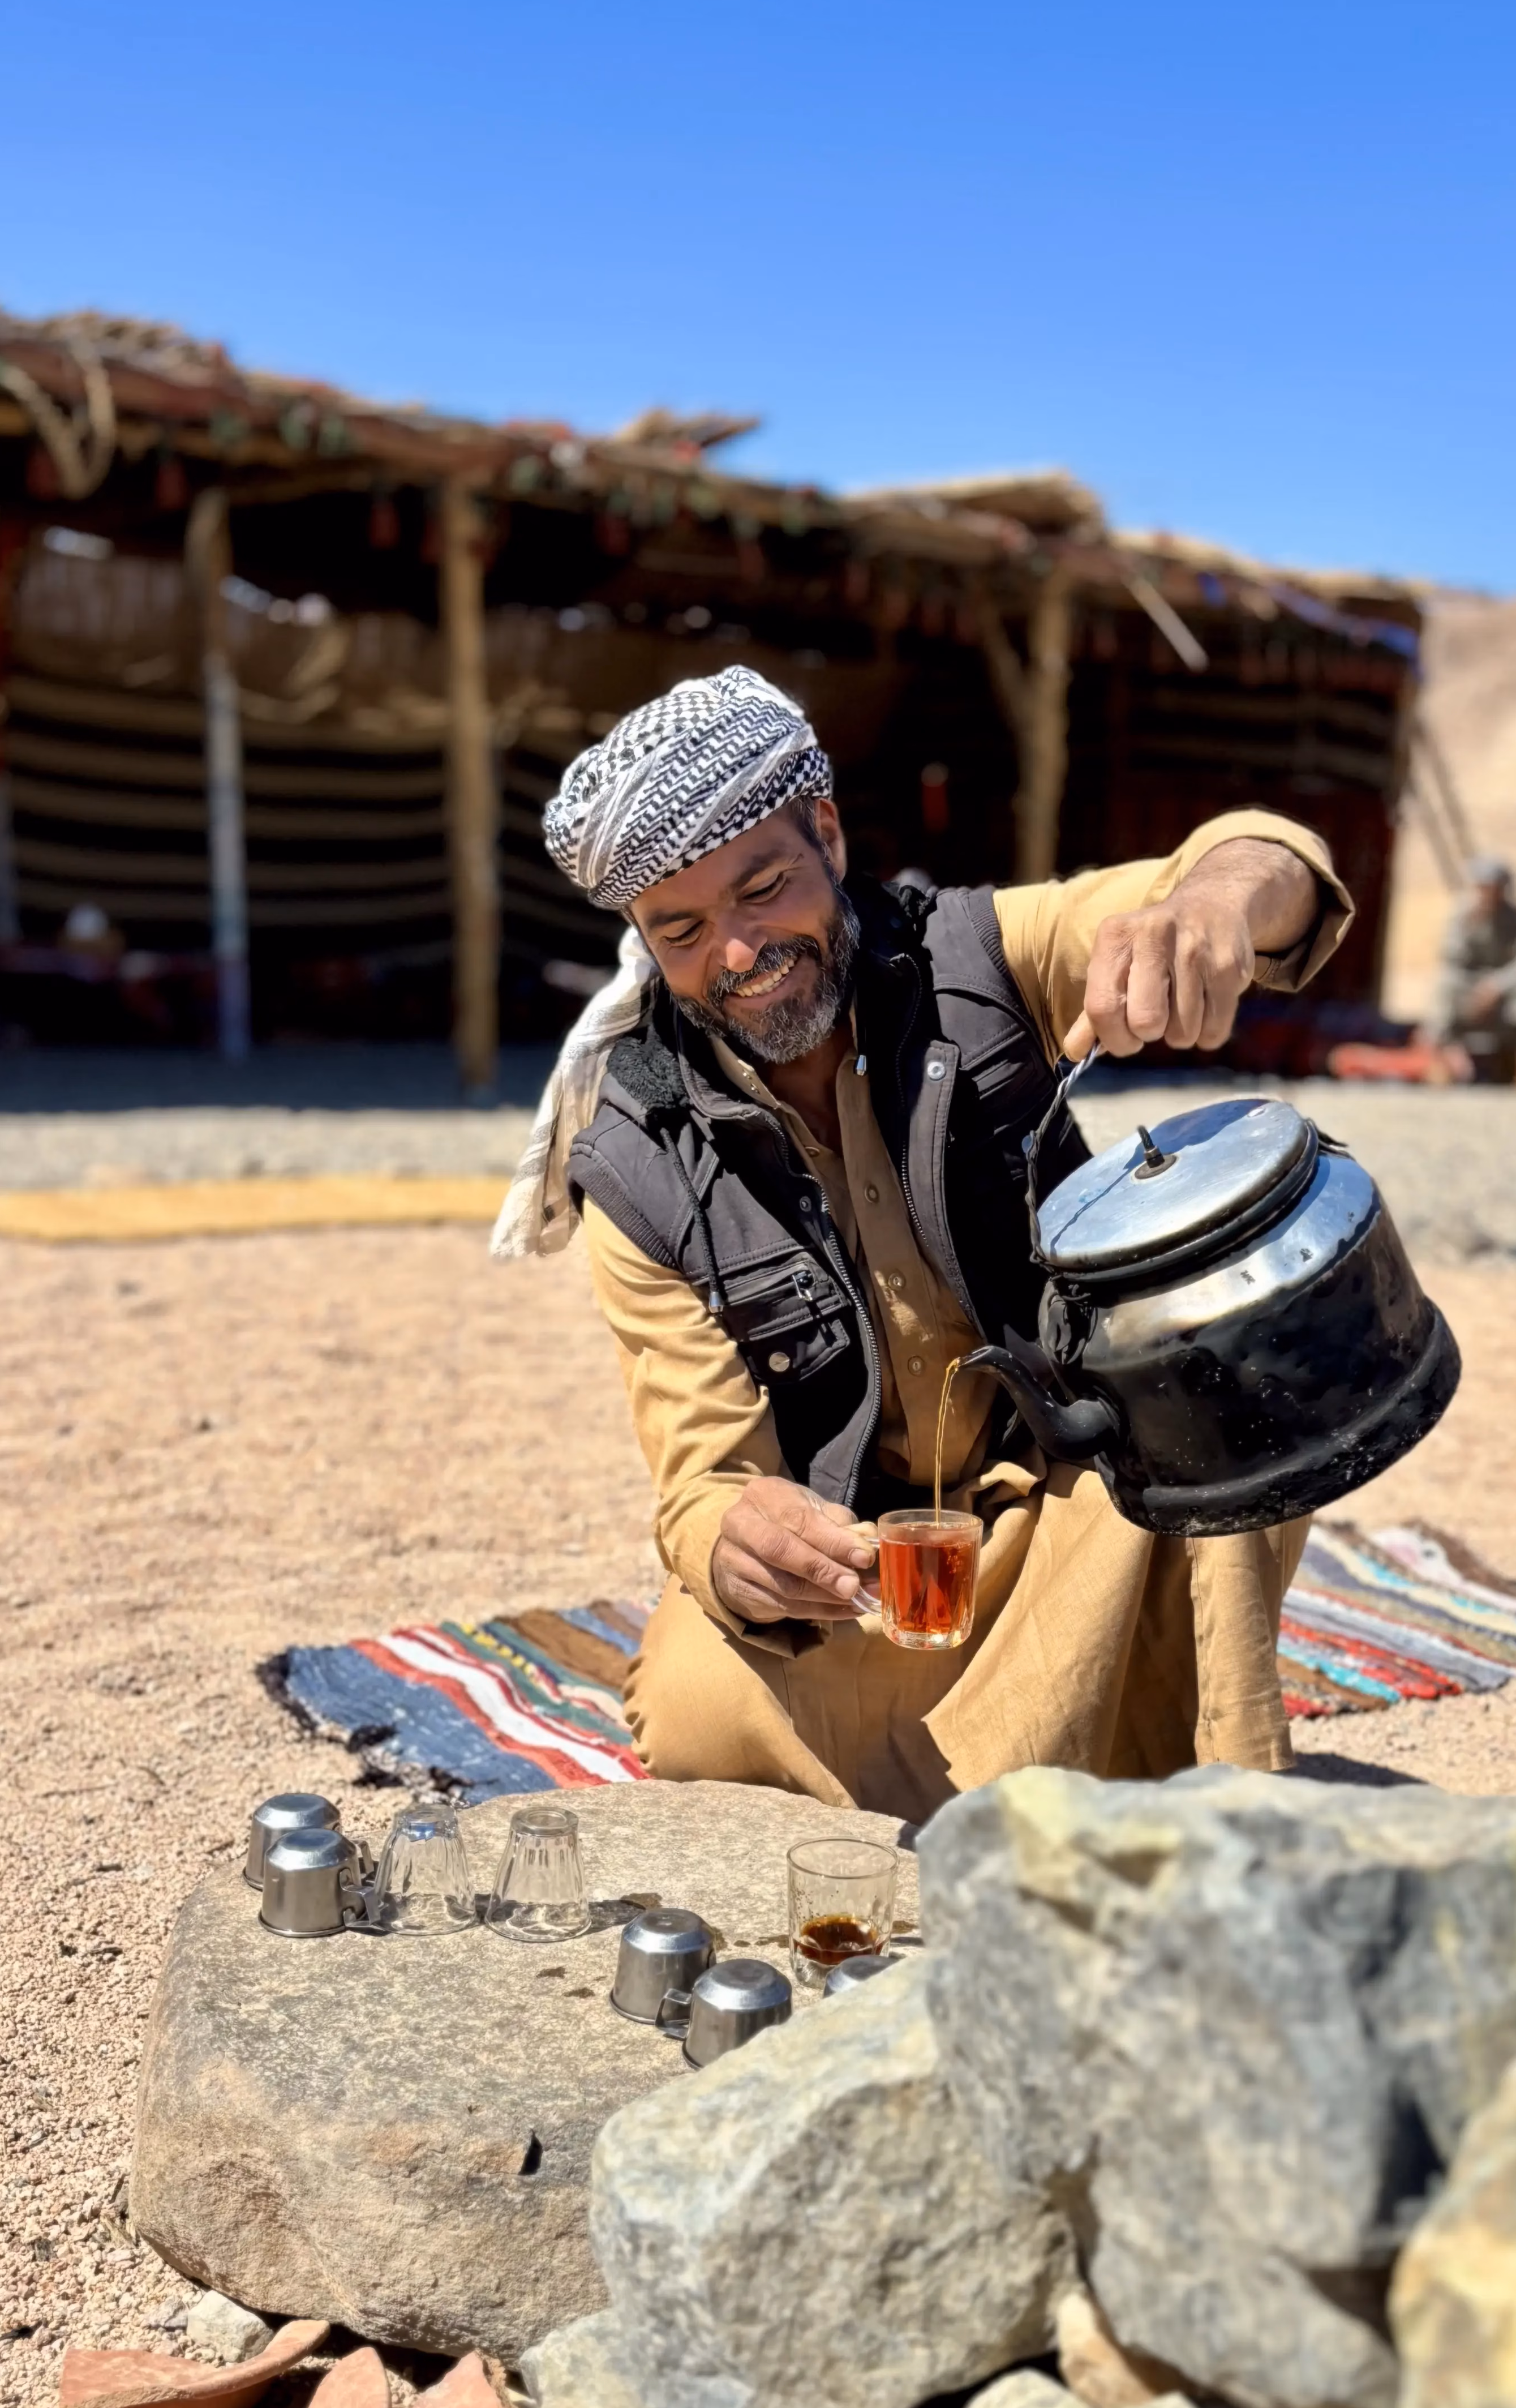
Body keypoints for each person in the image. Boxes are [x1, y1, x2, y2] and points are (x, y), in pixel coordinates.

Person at [493, 667, 1354, 1816]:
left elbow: (1269, 856)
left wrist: (1209, 909)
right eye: (684, 930)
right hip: (874, 1581)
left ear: (830, 835)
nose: (741, 953)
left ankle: (1223, 1809)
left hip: (1078, 1496)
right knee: (695, 1701)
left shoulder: (979, 960)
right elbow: (703, 1479)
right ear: (644, 940)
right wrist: (738, 1545)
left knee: (1234, 1414)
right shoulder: (636, 1160)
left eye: (764, 888)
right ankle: (1095, 1746)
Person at [1426, 855, 1516, 1086]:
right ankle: (1439, 1063)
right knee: (1444, 986)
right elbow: (1451, 959)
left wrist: (1497, 985)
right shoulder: (1463, 915)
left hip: (1503, 990)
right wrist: (1472, 925)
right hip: (1469, 986)